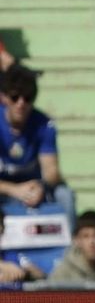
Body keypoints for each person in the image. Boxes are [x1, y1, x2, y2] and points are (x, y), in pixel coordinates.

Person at [0, 66, 69, 219]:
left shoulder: (44, 125)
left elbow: (51, 171)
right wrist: (14, 189)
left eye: (28, 97)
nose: (21, 103)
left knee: (65, 196)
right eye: (15, 97)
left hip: (32, 188)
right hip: (4, 190)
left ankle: (70, 242)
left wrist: (40, 187)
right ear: (4, 97)